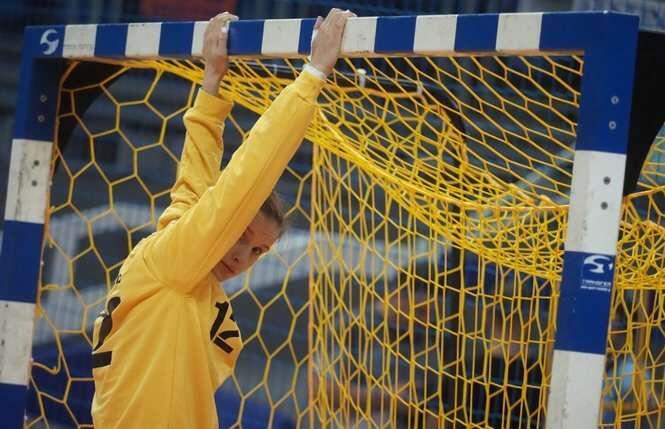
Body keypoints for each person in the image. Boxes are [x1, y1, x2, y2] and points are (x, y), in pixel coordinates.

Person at [90, 9, 354, 428]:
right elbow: (245, 178)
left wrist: (212, 83)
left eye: (259, 250)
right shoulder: (175, 263)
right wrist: (313, 75)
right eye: (240, 234)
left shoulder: (177, 258)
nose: (242, 256)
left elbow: (191, 186)